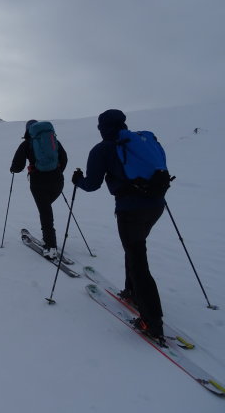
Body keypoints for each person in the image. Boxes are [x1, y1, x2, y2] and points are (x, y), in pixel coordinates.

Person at [72, 109, 166, 342]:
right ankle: (132, 291)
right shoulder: (142, 141)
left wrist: (78, 181)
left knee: (137, 259)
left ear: (103, 127)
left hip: (130, 209)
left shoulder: (103, 149)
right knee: (135, 249)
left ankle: (152, 322)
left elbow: (92, 184)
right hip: (156, 206)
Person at [10, 119, 68, 258]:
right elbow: (64, 159)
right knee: (46, 209)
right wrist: (56, 172)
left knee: (45, 212)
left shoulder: (26, 144)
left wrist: (13, 169)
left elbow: (17, 166)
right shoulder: (53, 141)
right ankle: (48, 239)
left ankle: (50, 246)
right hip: (57, 181)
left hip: (38, 182)